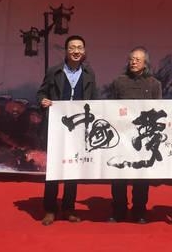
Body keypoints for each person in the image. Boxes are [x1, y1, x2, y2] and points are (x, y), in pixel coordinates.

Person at [37, 35, 99, 226]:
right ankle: (50, 209)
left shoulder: (89, 74)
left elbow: (94, 99)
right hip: (56, 127)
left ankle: (68, 208)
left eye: (79, 47)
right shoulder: (54, 71)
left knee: (72, 168)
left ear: (84, 51)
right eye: (72, 48)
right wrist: (43, 101)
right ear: (66, 51)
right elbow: (41, 92)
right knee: (54, 170)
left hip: (78, 129)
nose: (76, 51)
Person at [110, 46, 162, 224]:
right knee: (118, 174)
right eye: (131, 59)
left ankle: (139, 210)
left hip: (143, 137)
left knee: (142, 175)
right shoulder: (119, 82)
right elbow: (110, 107)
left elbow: (158, 109)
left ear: (145, 63)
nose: (133, 62)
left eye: (137, 60)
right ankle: (119, 210)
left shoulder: (154, 84)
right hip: (121, 136)